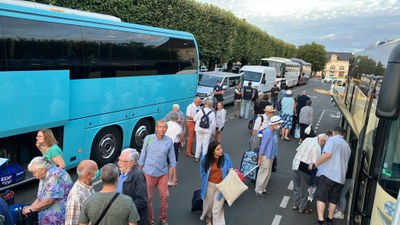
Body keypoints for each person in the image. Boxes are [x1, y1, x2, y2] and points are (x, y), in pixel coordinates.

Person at [138, 120, 176, 225]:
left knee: (165, 196)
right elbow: (143, 154)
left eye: (164, 127)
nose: (162, 129)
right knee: (148, 198)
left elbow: (172, 160)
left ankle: (163, 219)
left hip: (162, 173)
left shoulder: (169, 141)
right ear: (156, 128)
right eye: (160, 127)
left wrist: (173, 177)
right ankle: (150, 219)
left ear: (166, 129)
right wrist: (139, 171)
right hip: (148, 172)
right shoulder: (148, 138)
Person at [310, 127, 351, 225]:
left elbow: (327, 155)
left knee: (321, 197)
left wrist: (315, 164)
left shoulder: (332, 140)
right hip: (340, 178)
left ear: (333, 132)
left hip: (328, 174)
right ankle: (329, 220)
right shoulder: (347, 146)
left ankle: (320, 221)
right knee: (333, 199)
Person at [22, 157, 73, 225]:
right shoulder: (44, 175)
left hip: (56, 218)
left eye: (33, 172)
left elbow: (48, 200)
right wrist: (31, 207)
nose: (33, 175)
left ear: (42, 170)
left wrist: (31, 208)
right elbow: (41, 196)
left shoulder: (55, 176)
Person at [292, 134, 328, 214]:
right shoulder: (317, 147)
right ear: (322, 141)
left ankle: (295, 204)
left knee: (297, 186)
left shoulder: (307, 139)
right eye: (323, 144)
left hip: (296, 163)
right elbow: (315, 162)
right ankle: (302, 207)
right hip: (305, 167)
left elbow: (297, 149)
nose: (323, 145)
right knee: (304, 188)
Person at [200, 141, 233, 225]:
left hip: (221, 186)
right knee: (208, 205)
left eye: (221, 148)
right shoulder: (205, 159)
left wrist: (231, 171)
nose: (221, 150)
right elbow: (202, 171)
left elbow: (231, 168)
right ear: (212, 151)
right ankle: (208, 218)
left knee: (217, 209)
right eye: (218, 149)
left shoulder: (226, 157)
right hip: (209, 185)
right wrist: (205, 180)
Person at [118, 148, 148, 225]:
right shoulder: (119, 173)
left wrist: (125, 211)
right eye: (119, 159)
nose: (119, 163)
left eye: (122, 161)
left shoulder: (138, 176)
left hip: (132, 218)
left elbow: (142, 200)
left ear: (131, 163)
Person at [255, 116, 282, 196]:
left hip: (271, 155)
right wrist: (259, 159)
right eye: (279, 123)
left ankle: (263, 188)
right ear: (274, 124)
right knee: (263, 173)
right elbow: (263, 147)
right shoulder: (267, 132)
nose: (279, 125)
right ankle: (259, 190)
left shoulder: (273, 131)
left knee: (268, 173)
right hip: (266, 156)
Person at [65, 160, 98, 225]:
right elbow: (71, 222)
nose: (98, 172)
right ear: (89, 174)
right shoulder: (76, 197)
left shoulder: (88, 186)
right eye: (96, 170)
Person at [165, 112, 184, 186]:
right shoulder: (177, 126)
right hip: (173, 145)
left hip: (165, 143)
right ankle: (169, 180)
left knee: (165, 162)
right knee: (173, 163)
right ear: (177, 119)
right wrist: (182, 141)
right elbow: (181, 136)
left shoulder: (166, 124)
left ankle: (162, 178)